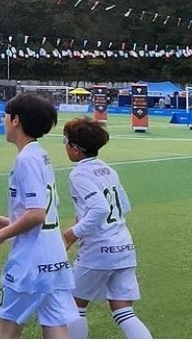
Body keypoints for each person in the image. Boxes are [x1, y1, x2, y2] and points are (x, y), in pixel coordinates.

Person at [0, 93, 76, 340]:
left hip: (30, 263)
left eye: (5, 116)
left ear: (16, 120)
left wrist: (2, 234)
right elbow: (43, 212)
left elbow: (36, 213)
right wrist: (11, 222)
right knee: (55, 326)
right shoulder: (41, 155)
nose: (3, 120)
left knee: (5, 328)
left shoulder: (26, 159)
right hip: (54, 259)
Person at [61, 117, 151, 339]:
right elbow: (124, 206)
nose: (64, 146)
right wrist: (81, 219)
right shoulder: (108, 170)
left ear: (75, 148)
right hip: (124, 245)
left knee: (75, 304)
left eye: (65, 141)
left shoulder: (79, 174)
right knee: (123, 309)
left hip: (99, 249)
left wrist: (75, 232)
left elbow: (99, 208)